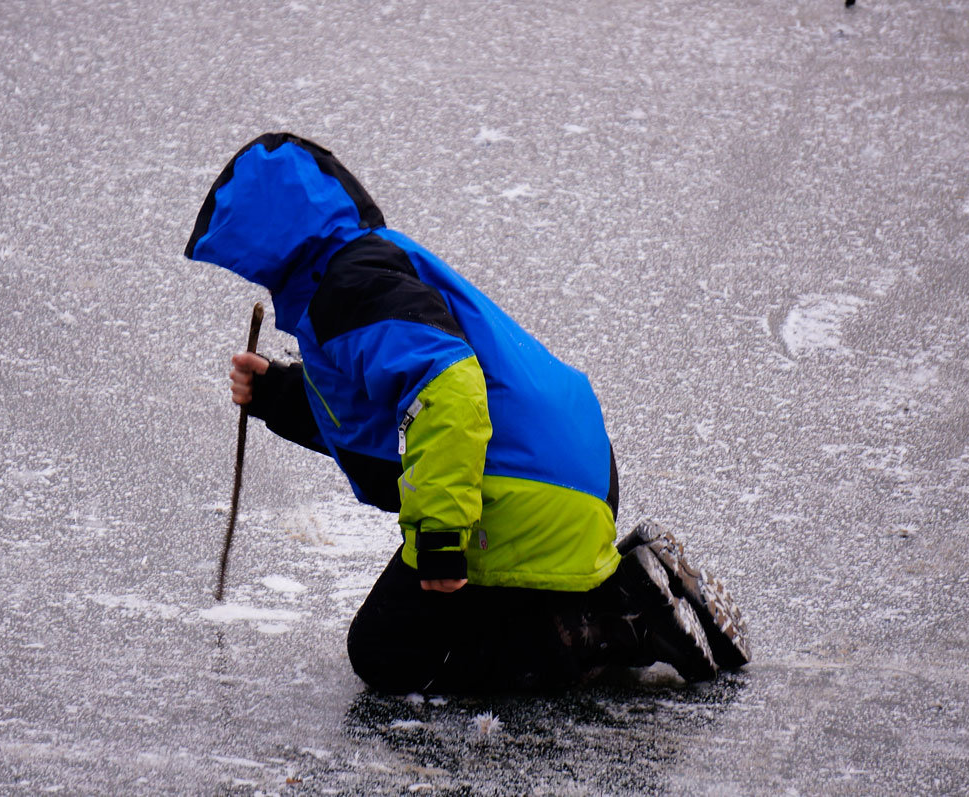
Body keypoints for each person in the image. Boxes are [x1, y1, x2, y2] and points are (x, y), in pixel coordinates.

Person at [185, 132, 749, 693]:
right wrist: (281, 396)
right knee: (441, 622)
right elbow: (387, 422)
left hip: (520, 494)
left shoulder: (347, 289)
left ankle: (612, 620)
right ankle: (611, 587)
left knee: (388, 654)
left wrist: (441, 537)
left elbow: (448, 390)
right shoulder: (372, 267)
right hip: (576, 478)